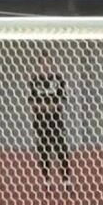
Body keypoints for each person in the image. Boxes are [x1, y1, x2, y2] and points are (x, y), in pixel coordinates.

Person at [28, 51, 73, 186]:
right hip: (40, 121)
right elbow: (32, 103)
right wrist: (46, 106)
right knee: (43, 149)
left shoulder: (58, 80)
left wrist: (48, 106)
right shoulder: (34, 81)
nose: (47, 66)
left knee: (61, 149)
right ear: (39, 65)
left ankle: (66, 179)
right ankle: (47, 179)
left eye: (49, 63)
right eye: (44, 63)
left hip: (56, 120)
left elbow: (62, 101)